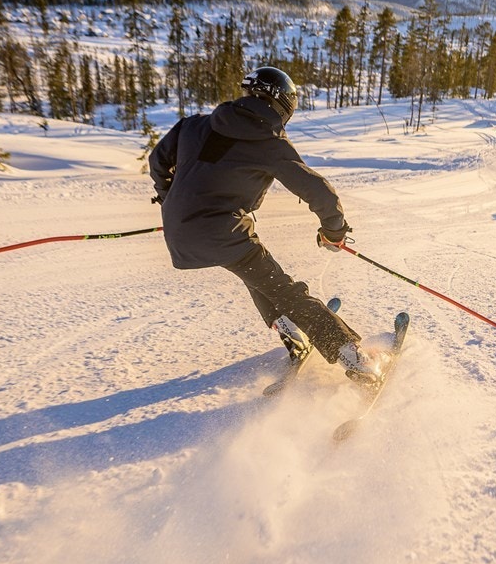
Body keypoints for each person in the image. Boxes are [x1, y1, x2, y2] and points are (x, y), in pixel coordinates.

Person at [149, 66, 382, 382]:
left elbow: (158, 162)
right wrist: (334, 231)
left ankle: (289, 331)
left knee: (254, 272)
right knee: (285, 291)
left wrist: (171, 200)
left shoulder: (193, 126)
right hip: (221, 230)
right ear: (285, 105)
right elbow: (318, 189)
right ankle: (353, 357)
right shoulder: (269, 142)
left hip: (178, 232)